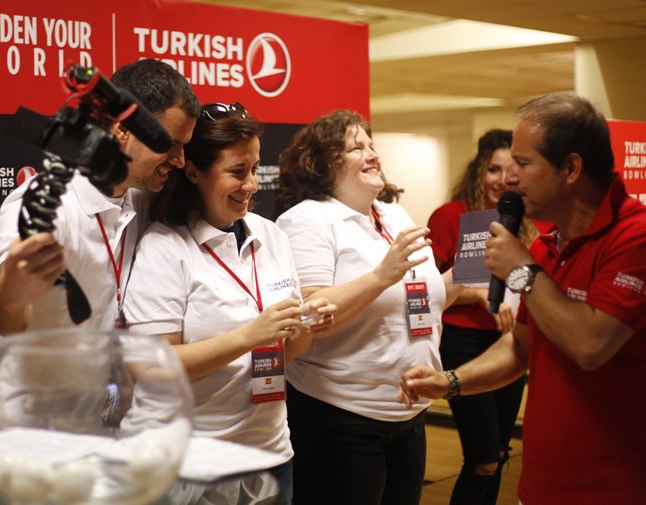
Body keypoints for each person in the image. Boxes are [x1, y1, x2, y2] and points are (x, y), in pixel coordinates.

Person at [399, 92, 646, 505]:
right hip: (542, 484)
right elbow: (521, 346)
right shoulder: (549, 245)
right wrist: (451, 382)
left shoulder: (634, 238)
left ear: (571, 168)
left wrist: (522, 271)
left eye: (524, 163)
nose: (510, 179)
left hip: (613, 487)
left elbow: (592, 344)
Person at [0, 59, 201, 441]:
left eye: (184, 146)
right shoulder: (46, 207)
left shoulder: (139, 201)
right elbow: (6, 317)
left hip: (92, 428)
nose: (180, 160)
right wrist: (10, 292)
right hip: (19, 435)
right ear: (122, 129)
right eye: (170, 144)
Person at [123, 101, 336, 505]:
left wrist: (306, 328)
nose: (251, 184)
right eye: (237, 172)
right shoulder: (164, 247)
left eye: (254, 168)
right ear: (194, 172)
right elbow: (154, 367)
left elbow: (286, 352)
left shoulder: (271, 236)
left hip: (270, 453)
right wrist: (249, 336)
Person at [274, 109, 465, 505]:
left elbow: (426, 300)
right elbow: (312, 315)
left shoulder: (394, 214)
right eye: (356, 147)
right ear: (326, 163)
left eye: (372, 145)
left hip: (408, 412)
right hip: (340, 417)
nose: (373, 154)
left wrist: (472, 269)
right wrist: (381, 275)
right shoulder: (308, 220)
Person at [427, 129, 530, 505]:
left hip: (509, 341)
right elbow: (431, 289)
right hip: (463, 341)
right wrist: (482, 296)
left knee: (499, 455)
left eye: (511, 171)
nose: (502, 180)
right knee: (483, 458)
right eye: (492, 169)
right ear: (477, 171)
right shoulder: (450, 216)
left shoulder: (522, 216)